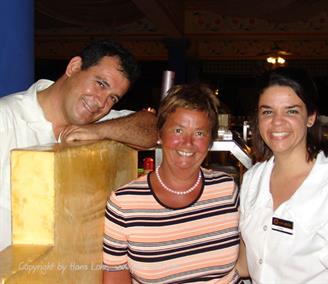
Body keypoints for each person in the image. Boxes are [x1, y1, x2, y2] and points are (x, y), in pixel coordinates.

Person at [0, 40, 157, 251]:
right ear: (74, 67)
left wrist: (99, 131)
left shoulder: (101, 122)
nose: (101, 103)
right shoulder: (5, 119)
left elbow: (153, 127)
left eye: (113, 98)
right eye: (100, 84)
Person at [237, 67, 328, 284]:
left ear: (310, 117)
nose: (277, 122)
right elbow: (245, 266)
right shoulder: (253, 180)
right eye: (267, 111)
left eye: (291, 111)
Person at [102, 84, 243, 283]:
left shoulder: (227, 190)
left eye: (200, 133)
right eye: (178, 130)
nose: (188, 142)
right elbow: (115, 276)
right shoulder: (124, 203)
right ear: (160, 135)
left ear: (210, 141)